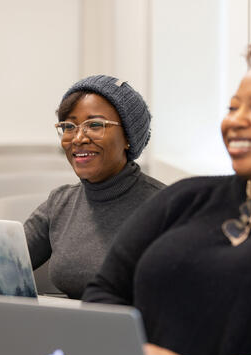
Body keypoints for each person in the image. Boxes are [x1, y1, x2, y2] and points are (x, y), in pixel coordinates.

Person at [83, 21, 251, 355]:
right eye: (233, 107)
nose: (236, 120)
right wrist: (141, 352)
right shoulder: (184, 198)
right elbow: (104, 291)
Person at [24, 75, 165, 300]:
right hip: (65, 329)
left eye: (95, 125)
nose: (78, 138)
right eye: (69, 126)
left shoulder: (165, 207)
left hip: (134, 333)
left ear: (128, 137)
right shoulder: (60, 203)